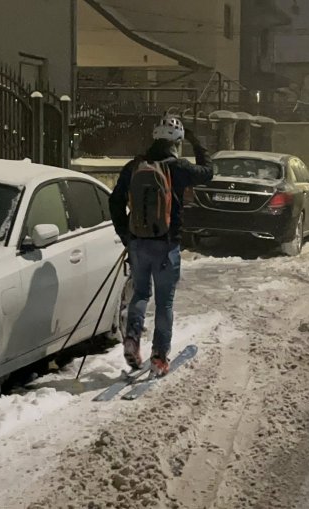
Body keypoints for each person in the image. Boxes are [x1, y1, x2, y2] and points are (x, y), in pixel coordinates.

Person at [109, 116, 213, 376]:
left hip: (138, 243)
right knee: (165, 303)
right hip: (167, 245)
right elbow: (208, 172)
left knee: (141, 294)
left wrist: (126, 235)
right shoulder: (179, 168)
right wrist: (195, 139)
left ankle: (132, 339)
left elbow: (115, 201)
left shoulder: (134, 166)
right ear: (176, 142)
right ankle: (159, 357)